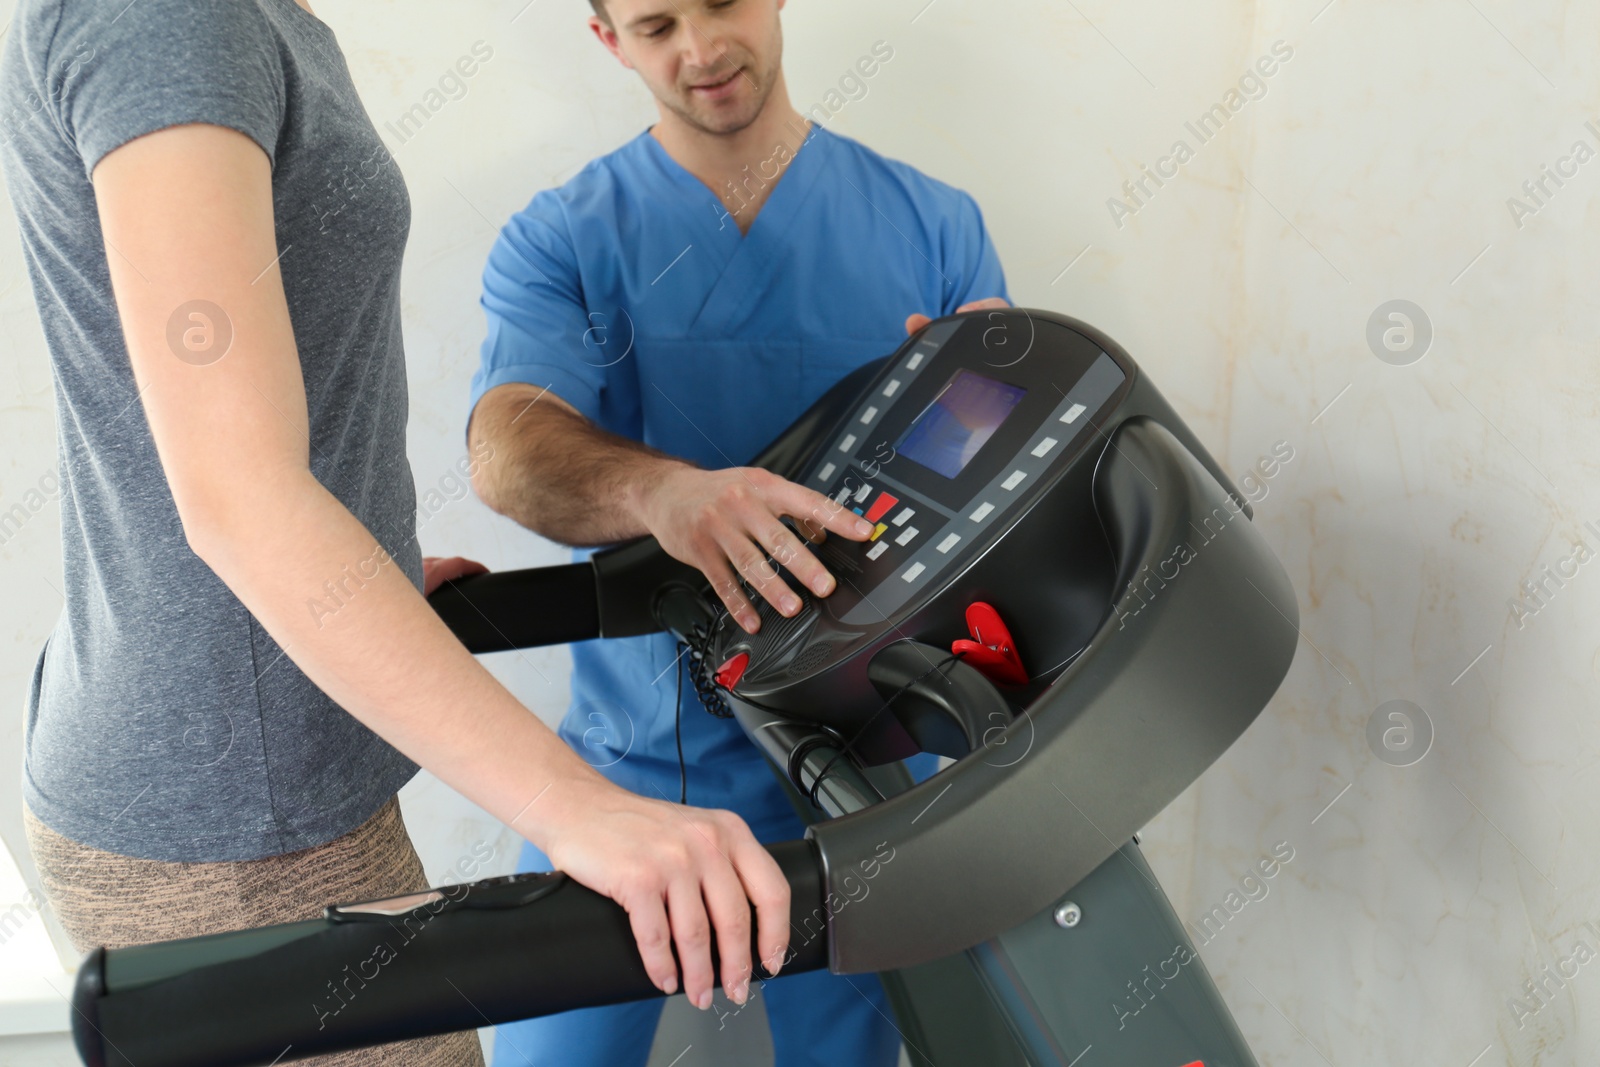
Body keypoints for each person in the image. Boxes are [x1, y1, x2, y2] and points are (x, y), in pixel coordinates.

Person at [0, 2, 791, 1064]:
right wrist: (583, 811)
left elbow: (201, 412)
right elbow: (237, 495)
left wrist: (358, 564)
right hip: (228, 815)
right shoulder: (165, 15)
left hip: (279, 753)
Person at [466, 0, 1009, 1063]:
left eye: (720, 4)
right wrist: (662, 494)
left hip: (864, 791)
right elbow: (507, 447)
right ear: (606, 38)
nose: (701, 50)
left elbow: (991, 482)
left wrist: (975, 423)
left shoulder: (935, 226)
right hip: (628, 786)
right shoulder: (563, 236)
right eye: (657, 23)